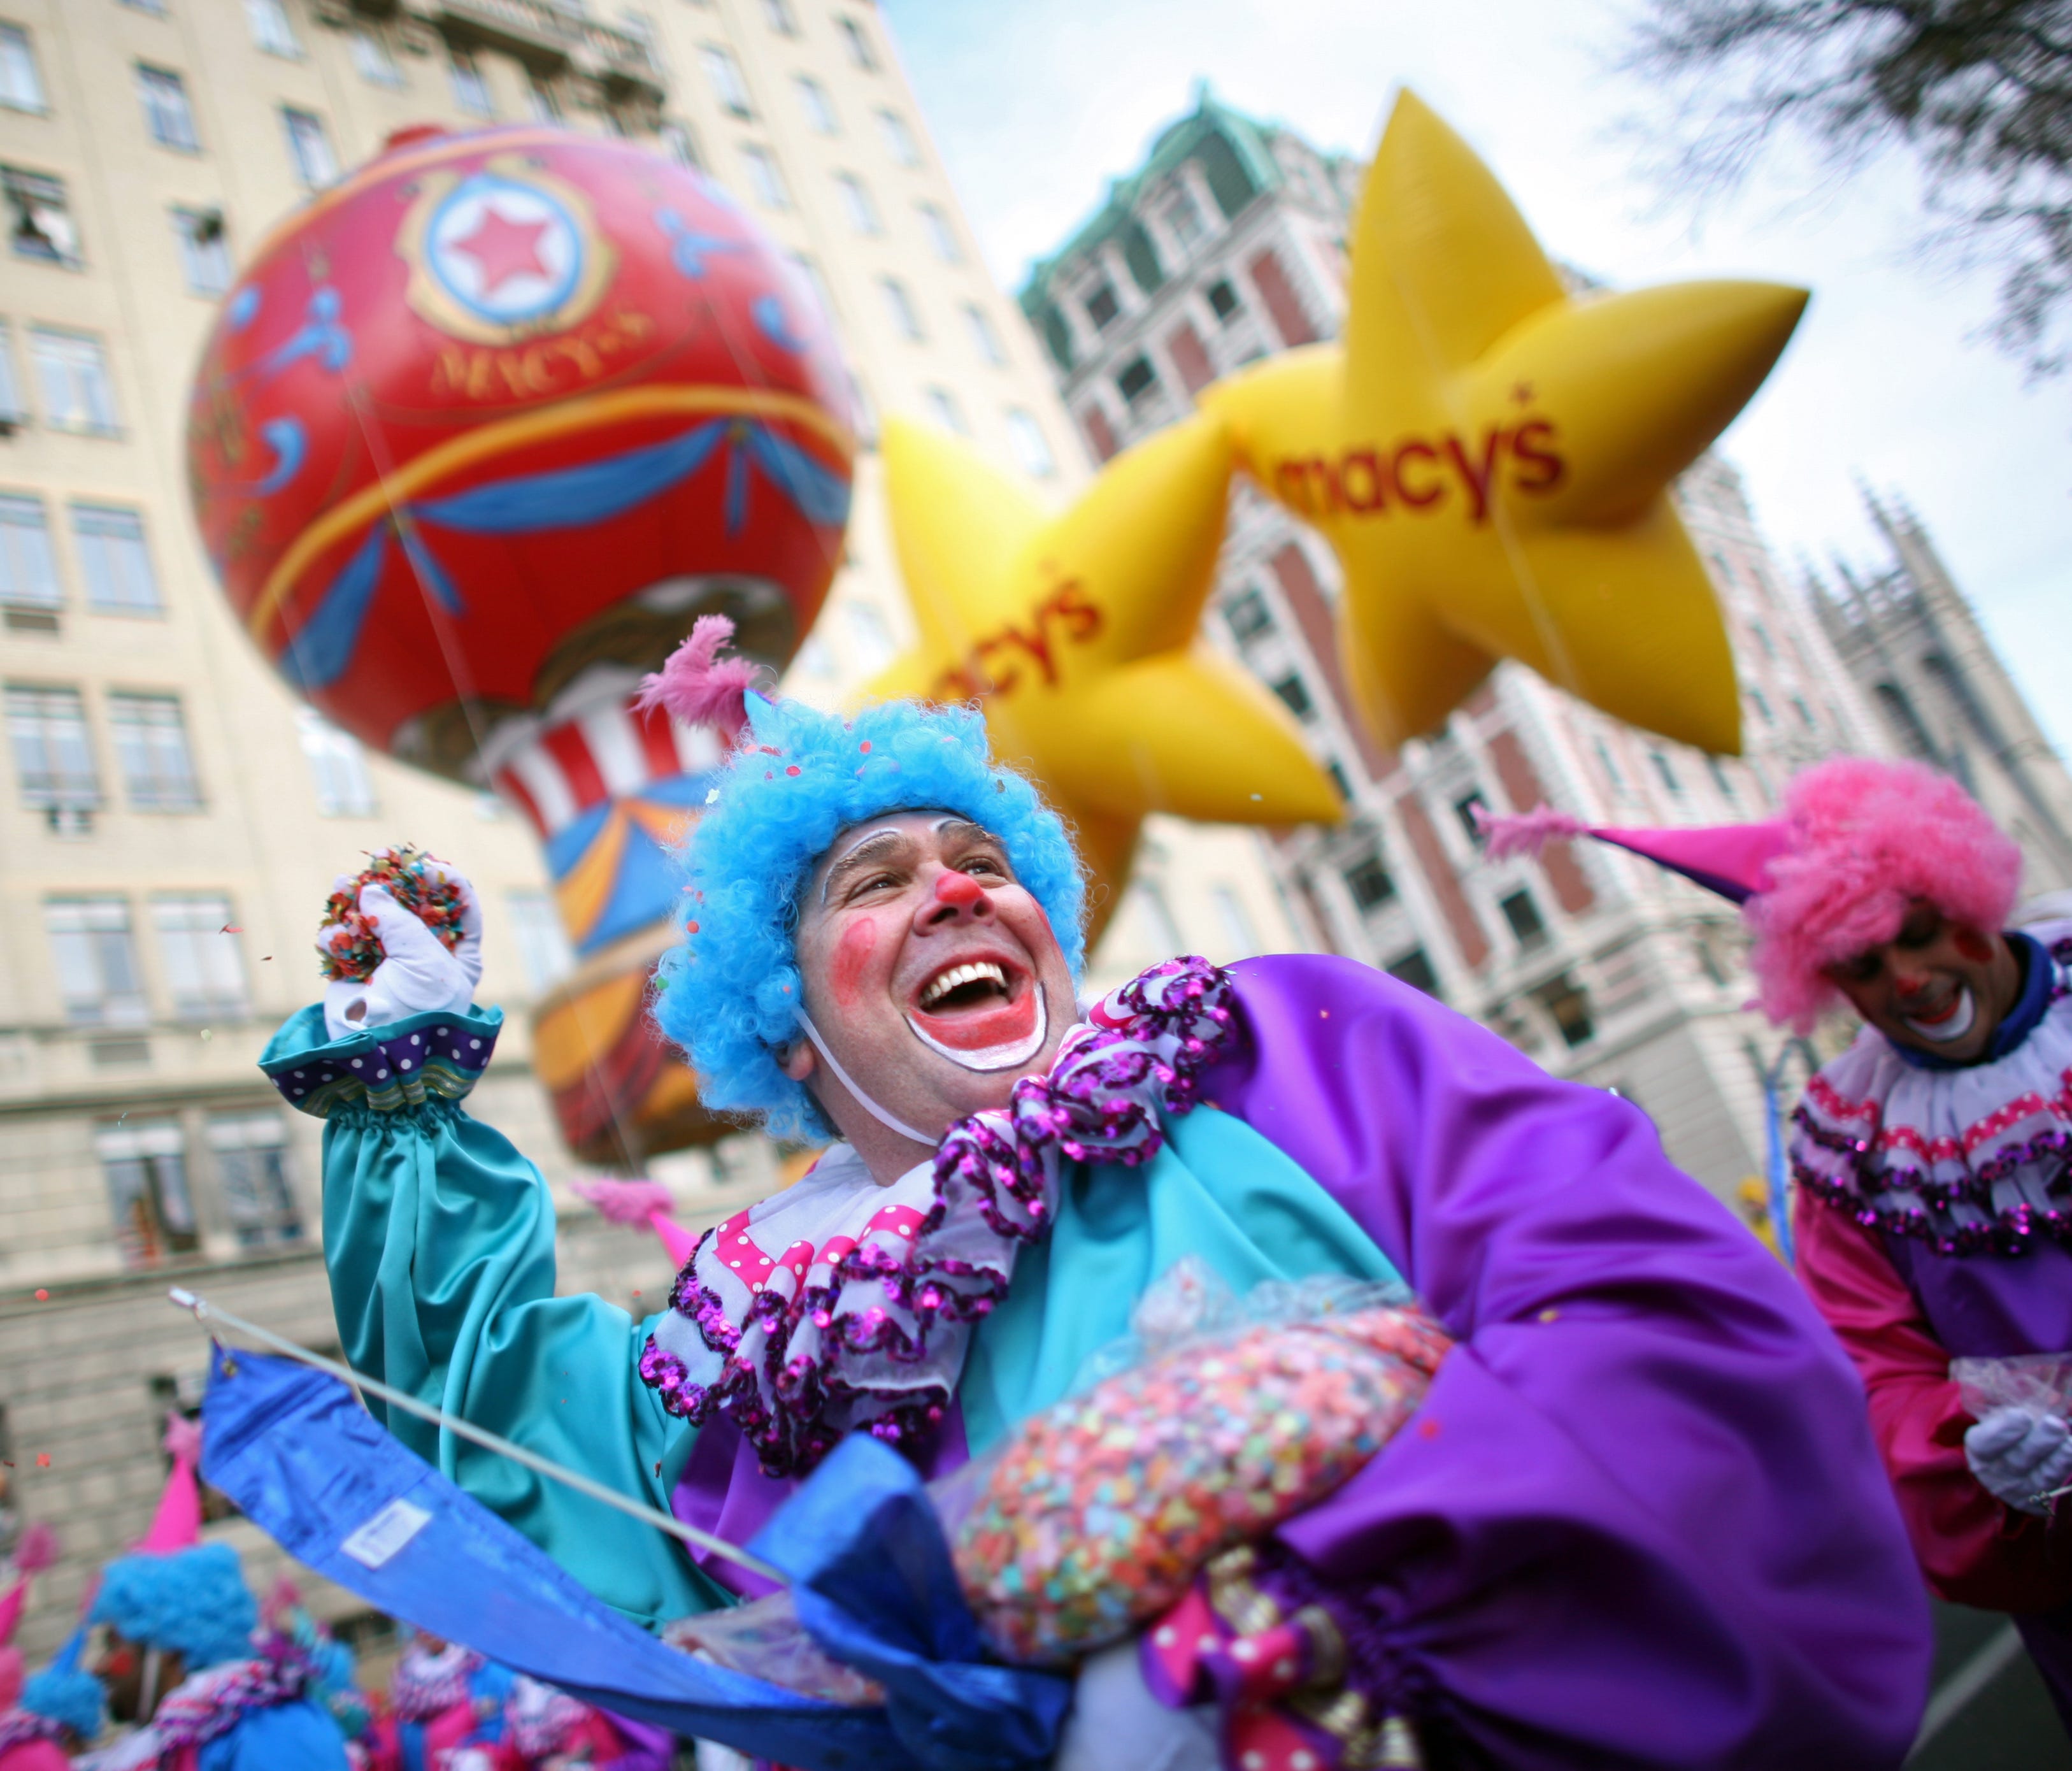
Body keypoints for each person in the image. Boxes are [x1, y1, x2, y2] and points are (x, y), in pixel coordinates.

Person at [273, 620, 1934, 1768]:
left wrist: (1310, 1617)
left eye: (979, 861)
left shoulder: (1278, 1049)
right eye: (875, 880)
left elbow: (1664, 1323)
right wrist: (399, 1088)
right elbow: (488, 1429)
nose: (951, 889)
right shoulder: (729, 1346)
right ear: (780, 1013)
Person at [1486, 755, 2072, 1731]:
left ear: (1969, 893)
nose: (1908, 981)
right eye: (1862, 965)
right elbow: (1874, 1364)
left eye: (1919, 936)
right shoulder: (1850, 1142)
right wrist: (1978, 1452)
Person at [76, 1417, 348, 1771]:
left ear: (168, 1648)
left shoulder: (268, 1731)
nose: (98, 1668)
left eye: (114, 1644)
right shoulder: (165, 1746)